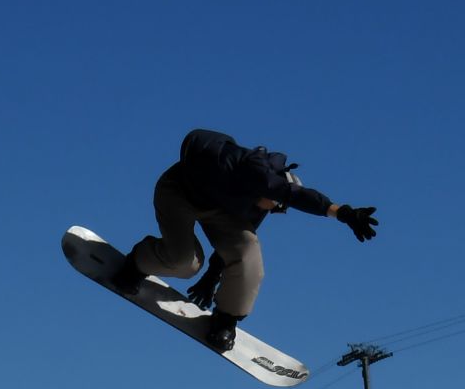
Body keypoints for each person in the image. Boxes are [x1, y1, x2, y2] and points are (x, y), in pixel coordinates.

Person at [111, 129, 378, 350]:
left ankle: (225, 320)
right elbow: (299, 196)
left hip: (219, 210)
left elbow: (235, 250)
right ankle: (137, 263)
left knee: (249, 253)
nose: (273, 210)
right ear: (273, 190)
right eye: (277, 205)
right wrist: (342, 212)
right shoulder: (253, 174)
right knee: (186, 263)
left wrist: (212, 277)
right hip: (178, 192)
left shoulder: (259, 205)